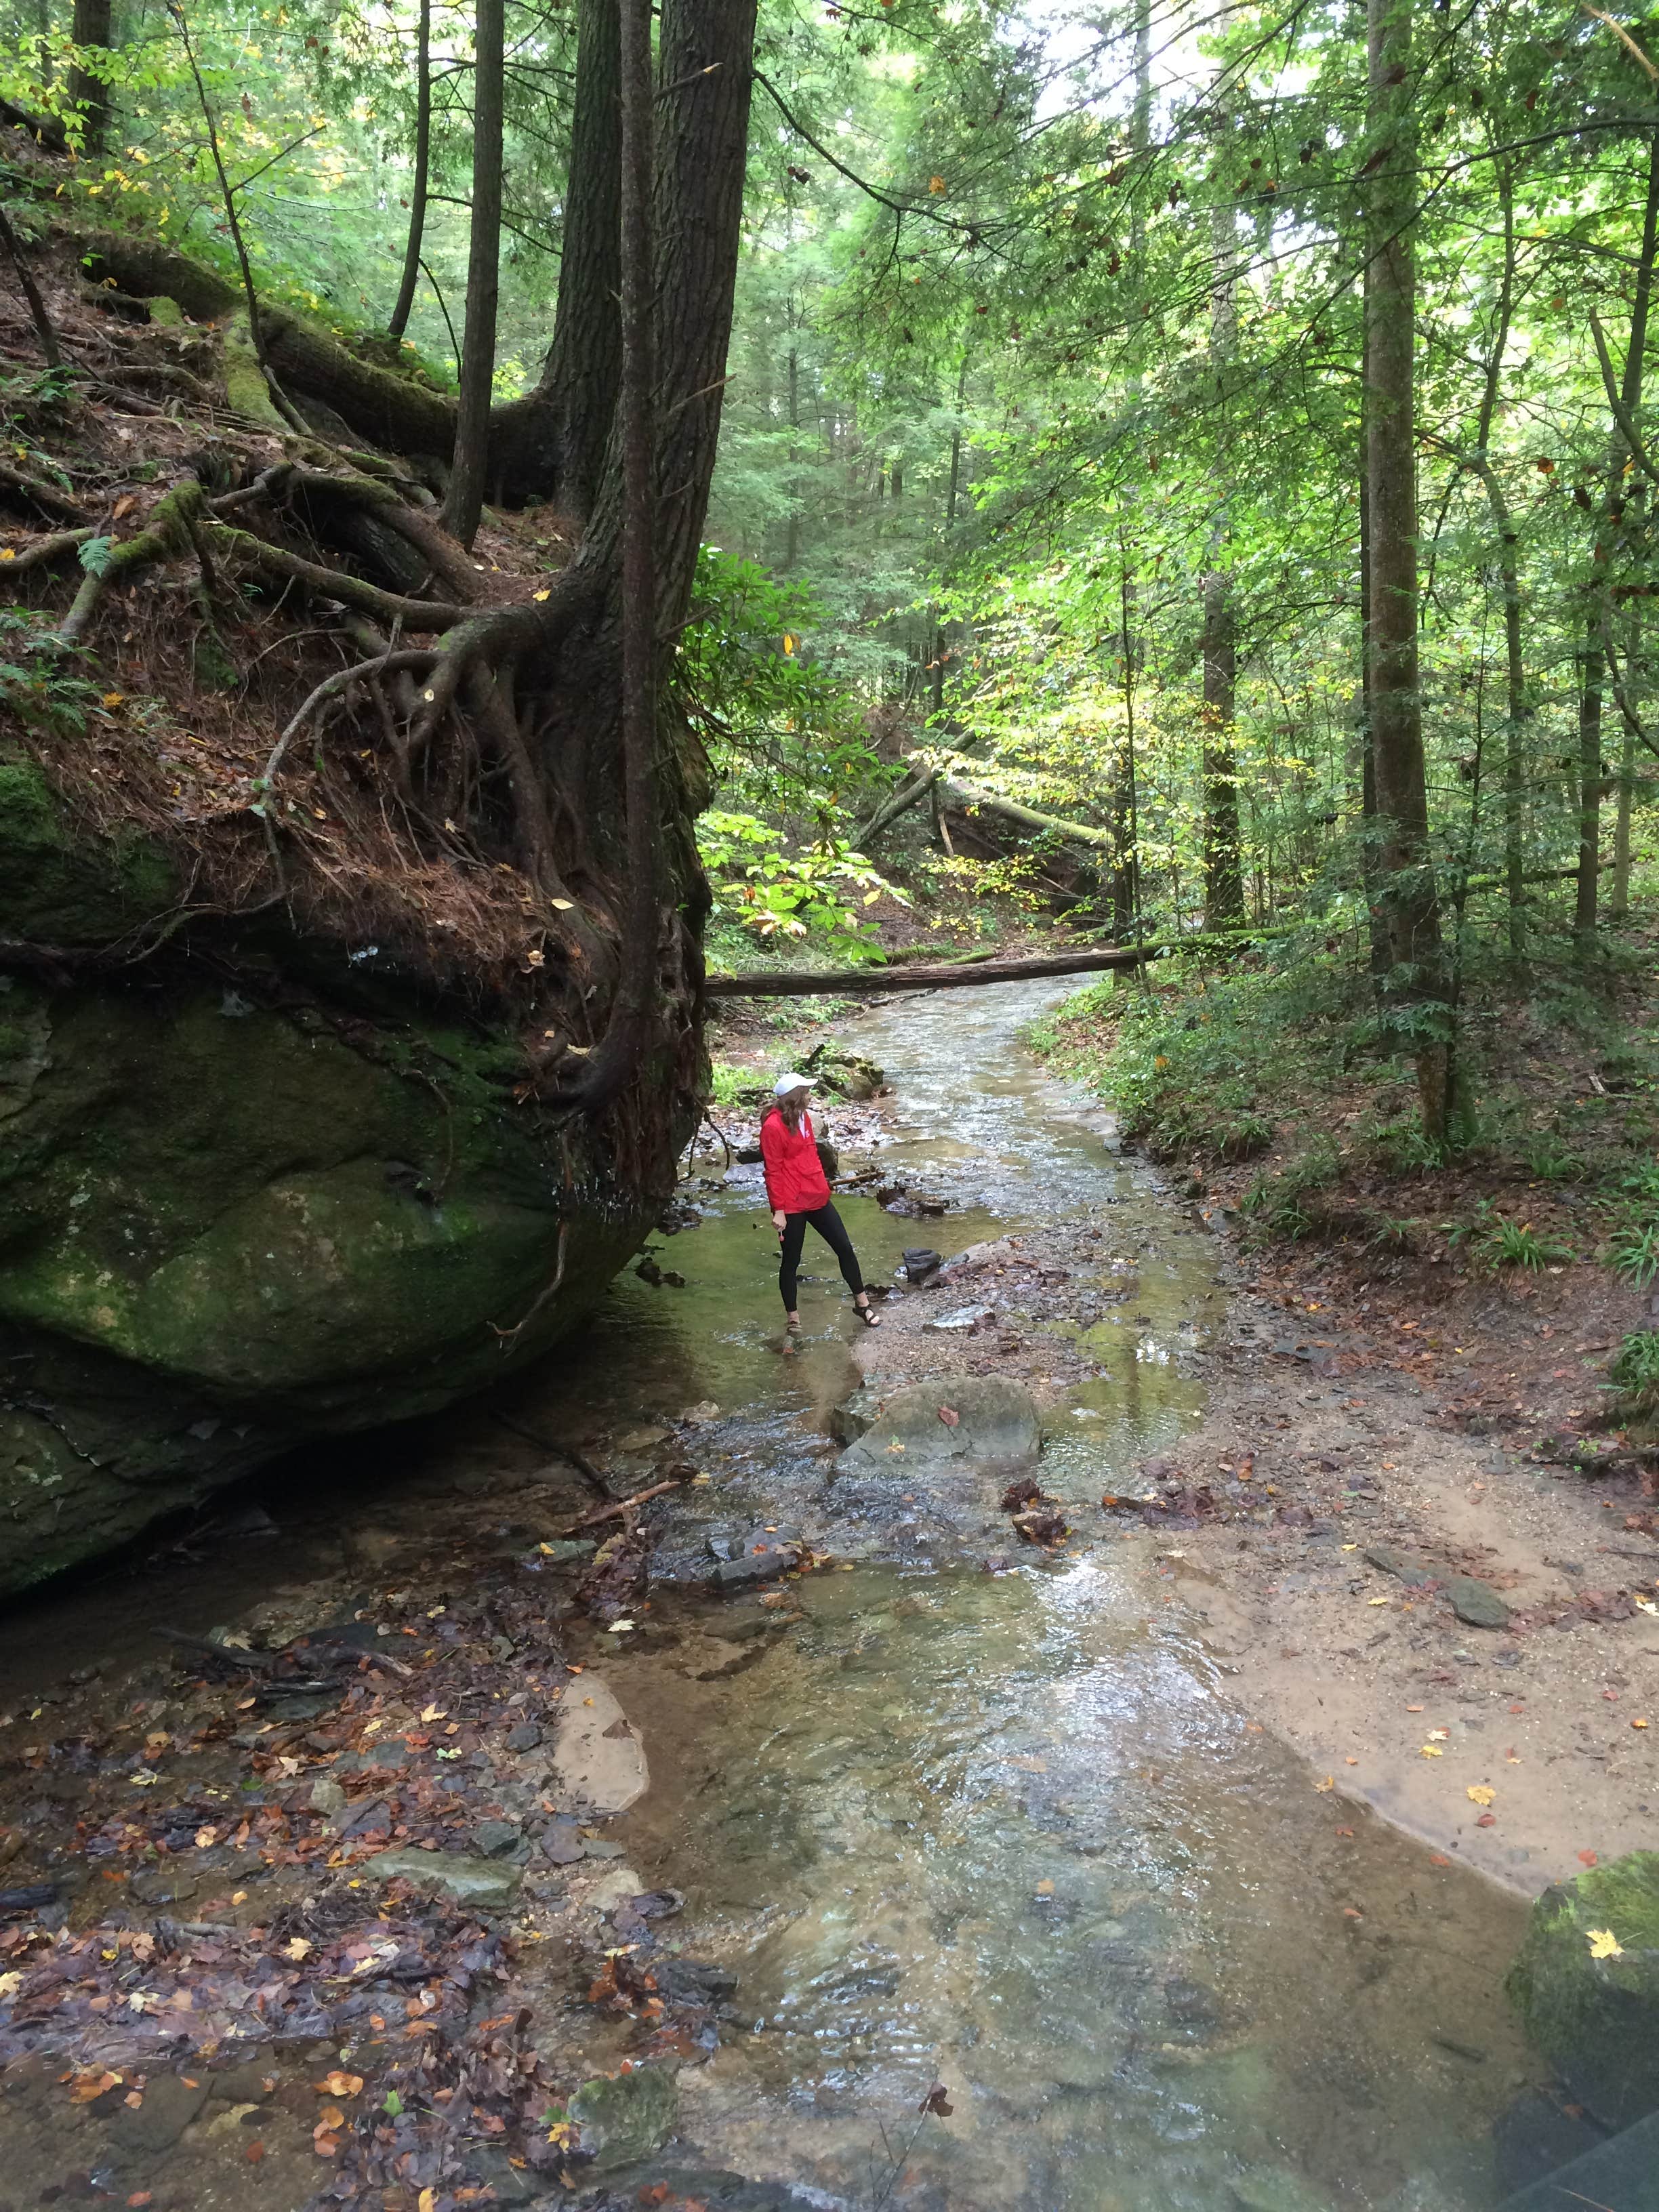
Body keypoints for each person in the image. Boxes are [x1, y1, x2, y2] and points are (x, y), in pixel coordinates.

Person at [760, 1073, 880, 1332]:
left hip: (816, 1197)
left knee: (845, 1248)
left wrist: (823, 1187)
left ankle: (862, 1304)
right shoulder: (772, 1127)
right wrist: (778, 1210)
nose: (810, 1095)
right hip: (791, 1203)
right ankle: (793, 1319)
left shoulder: (804, 1118)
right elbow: (773, 1170)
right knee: (791, 1261)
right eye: (806, 1091)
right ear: (796, 1097)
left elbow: (812, 1154)